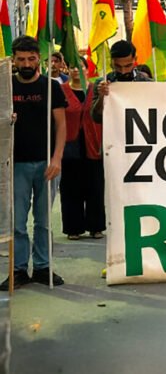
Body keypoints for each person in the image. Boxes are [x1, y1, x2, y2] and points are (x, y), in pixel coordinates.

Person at [1, 36, 67, 291]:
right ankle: (18, 269)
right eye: (21, 59)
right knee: (16, 222)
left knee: (43, 220)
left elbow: (61, 126)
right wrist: (7, 119)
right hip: (14, 165)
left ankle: (42, 267)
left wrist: (57, 158)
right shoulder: (5, 87)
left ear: (38, 58)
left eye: (31, 58)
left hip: (46, 163)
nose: (26, 63)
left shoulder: (51, 87)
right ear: (13, 60)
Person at [59, 58, 105, 240]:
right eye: (72, 67)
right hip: (70, 147)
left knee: (95, 187)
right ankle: (73, 227)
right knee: (70, 188)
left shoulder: (97, 90)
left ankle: (96, 226)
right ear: (68, 70)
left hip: (93, 144)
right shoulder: (61, 91)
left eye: (81, 67)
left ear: (87, 70)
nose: (76, 70)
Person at [91, 40, 152, 124]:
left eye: (128, 66)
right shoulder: (102, 83)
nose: (123, 71)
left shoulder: (147, 83)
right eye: (118, 66)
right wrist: (102, 97)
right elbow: (97, 118)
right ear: (111, 61)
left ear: (135, 59)